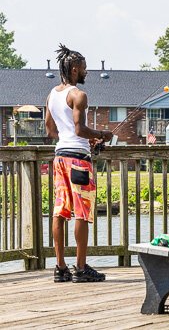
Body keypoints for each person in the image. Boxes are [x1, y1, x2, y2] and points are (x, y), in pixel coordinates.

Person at [45, 45, 113, 283]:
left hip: (60, 156)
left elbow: (51, 130)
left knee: (59, 210)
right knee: (81, 212)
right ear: (74, 69)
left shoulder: (52, 95)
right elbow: (79, 129)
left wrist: (78, 137)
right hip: (78, 160)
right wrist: (102, 134)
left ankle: (60, 267)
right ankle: (81, 268)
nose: (86, 72)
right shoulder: (78, 95)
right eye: (84, 68)